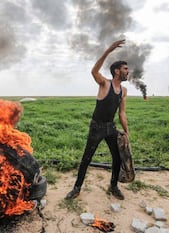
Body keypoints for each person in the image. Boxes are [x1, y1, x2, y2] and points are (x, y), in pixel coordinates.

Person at [65, 39, 129, 200]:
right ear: (116, 71)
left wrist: (126, 132)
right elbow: (94, 71)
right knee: (87, 158)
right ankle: (76, 188)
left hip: (111, 128)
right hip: (97, 127)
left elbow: (122, 113)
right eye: (125, 69)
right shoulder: (104, 84)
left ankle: (113, 186)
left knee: (117, 157)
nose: (128, 72)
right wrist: (108, 50)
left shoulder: (123, 90)